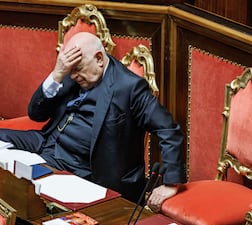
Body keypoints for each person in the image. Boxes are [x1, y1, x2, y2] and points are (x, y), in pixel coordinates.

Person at [0, 32, 186, 211]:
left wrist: (171, 183)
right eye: (69, 71)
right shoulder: (72, 70)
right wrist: (57, 73)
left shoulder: (129, 87)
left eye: (77, 70)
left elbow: (169, 130)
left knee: (33, 198)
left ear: (99, 59)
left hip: (84, 168)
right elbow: (36, 114)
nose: (73, 77)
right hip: (46, 144)